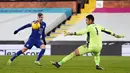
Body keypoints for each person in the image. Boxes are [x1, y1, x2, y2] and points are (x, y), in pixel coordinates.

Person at [51, 14, 124, 70]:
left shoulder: (89, 27)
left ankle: (59, 63)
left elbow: (80, 32)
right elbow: (108, 31)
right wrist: (116, 35)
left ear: (90, 20)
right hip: (99, 47)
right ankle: (97, 65)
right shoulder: (99, 26)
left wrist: (70, 33)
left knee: (73, 53)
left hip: (90, 46)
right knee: (96, 55)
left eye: (86, 20)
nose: (86, 22)